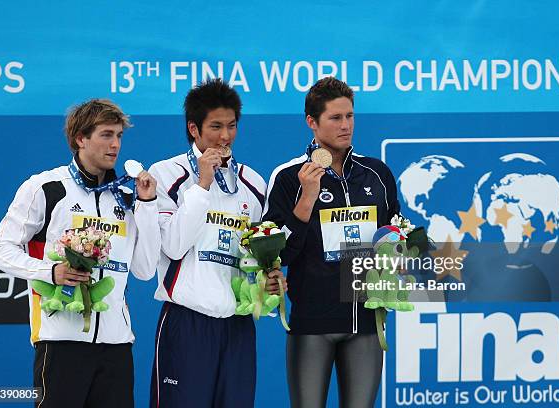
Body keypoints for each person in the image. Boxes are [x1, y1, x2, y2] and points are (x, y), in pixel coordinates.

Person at [0, 99, 161, 407]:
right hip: (60, 341)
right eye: (107, 135)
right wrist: (49, 272)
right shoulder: (46, 187)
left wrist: (147, 204)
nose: (115, 145)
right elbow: (1, 251)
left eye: (119, 136)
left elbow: (145, 270)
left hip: (117, 345)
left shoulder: (125, 196)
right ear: (81, 138)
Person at [263, 77, 401, 408]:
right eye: (335, 118)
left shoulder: (377, 173)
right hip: (313, 323)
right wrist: (306, 200)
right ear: (312, 122)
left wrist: (396, 259)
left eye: (350, 116)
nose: (345, 126)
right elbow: (279, 255)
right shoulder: (288, 177)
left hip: (365, 322)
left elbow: (394, 236)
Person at [148, 78, 286, 408]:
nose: (225, 136)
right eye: (215, 127)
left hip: (237, 329)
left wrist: (268, 279)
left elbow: (256, 255)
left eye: (232, 126)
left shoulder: (253, 183)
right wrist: (203, 182)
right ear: (194, 129)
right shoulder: (167, 174)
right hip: (187, 322)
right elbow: (174, 246)